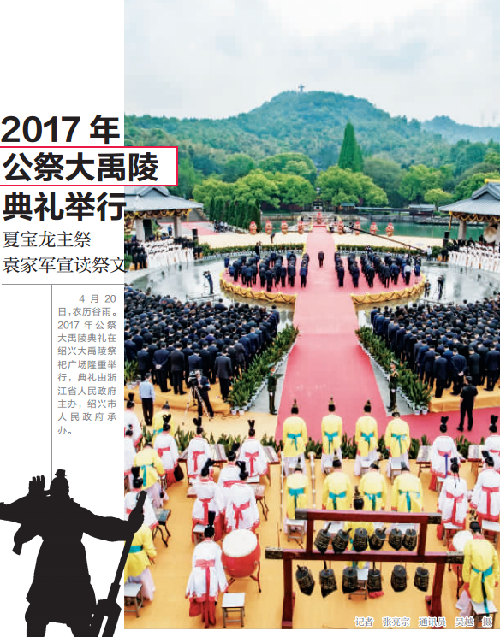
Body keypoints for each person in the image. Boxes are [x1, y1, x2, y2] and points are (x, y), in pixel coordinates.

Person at [0, 470, 142, 637]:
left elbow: (9, 512)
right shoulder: (71, 512)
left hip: (55, 573)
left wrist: (33, 498)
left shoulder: (44, 510)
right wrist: (128, 528)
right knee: (59, 618)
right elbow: (102, 526)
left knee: (41, 616)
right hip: (70, 575)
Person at [186, 511, 228, 628]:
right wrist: (223, 583)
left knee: (203, 596)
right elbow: (219, 566)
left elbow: (194, 564)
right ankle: (211, 618)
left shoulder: (197, 548)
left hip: (198, 574)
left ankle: (204, 617)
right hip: (211, 574)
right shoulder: (216, 547)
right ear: (213, 535)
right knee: (211, 597)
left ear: (204, 535)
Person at [460, 521, 499, 617]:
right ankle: (483, 614)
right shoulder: (489, 544)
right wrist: (496, 578)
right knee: (486, 594)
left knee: (473, 594)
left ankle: (470, 614)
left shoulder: (469, 544)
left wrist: (466, 579)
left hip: (476, 577)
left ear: (470, 531)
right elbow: (496, 564)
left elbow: (466, 565)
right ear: (481, 530)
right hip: (489, 577)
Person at [224, 461, 259, 533]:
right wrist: (256, 518)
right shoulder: (249, 489)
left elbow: (229, 503)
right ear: (247, 478)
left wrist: (227, 516)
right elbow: (253, 504)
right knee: (246, 532)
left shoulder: (233, 487)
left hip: (234, 514)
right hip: (246, 515)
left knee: (235, 532)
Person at [192, 460, 223, 541]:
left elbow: (196, 478)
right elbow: (218, 498)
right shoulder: (213, 485)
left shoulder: (195, 484)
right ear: (209, 475)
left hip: (199, 507)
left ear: (200, 475)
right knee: (215, 514)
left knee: (198, 514)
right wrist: (221, 509)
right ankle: (214, 535)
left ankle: (199, 535)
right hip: (210, 506)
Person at [344, 490, 374, 570]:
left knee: (350, 569)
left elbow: (346, 534)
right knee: (365, 569)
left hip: (352, 548)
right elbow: (371, 534)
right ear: (363, 505)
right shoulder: (368, 518)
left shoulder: (349, 518)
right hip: (365, 548)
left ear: (354, 506)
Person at [437, 459, 468, 535]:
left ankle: (445, 533)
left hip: (448, 504)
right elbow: (465, 496)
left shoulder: (446, 481)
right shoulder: (464, 482)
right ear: (458, 470)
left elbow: (443, 494)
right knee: (459, 513)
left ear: (450, 470)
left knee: (446, 512)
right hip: (459, 505)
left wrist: (440, 506)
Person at [430, 417, 459, 491]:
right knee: (450, 472)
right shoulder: (450, 440)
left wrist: (434, 461)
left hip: (440, 462)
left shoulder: (437, 440)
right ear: (447, 430)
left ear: (440, 430)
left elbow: (433, 452)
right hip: (449, 461)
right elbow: (454, 451)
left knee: (439, 473)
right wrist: (457, 461)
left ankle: (439, 489)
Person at [134, 440, 165, 509]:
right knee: (154, 490)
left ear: (144, 448)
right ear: (151, 447)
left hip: (140, 475)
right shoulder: (153, 452)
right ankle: (156, 505)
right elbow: (158, 463)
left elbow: (135, 466)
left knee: (143, 492)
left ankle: (144, 507)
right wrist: (161, 472)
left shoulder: (138, 454)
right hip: (150, 474)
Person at [471, 454, 500, 525]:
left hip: (484, 498)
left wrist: (475, 501)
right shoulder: (498, 475)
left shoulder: (482, 474)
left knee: (483, 512)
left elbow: (477, 488)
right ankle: (492, 529)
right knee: (494, 511)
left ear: (486, 464)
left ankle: (482, 527)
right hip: (495, 499)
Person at [282, 399, 307, 476]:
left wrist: (284, 443)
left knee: (287, 461)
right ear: (298, 412)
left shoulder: (286, 421)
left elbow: (284, 435)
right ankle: (302, 476)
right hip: (299, 442)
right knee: (300, 461)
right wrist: (304, 443)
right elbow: (304, 434)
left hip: (289, 442)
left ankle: (288, 475)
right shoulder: (301, 421)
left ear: (291, 412)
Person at [354, 400, 378, 476]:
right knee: (371, 457)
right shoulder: (374, 421)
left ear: (364, 411)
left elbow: (357, 432)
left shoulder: (360, 420)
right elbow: (375, 434)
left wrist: (357, 441)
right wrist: (376, 444)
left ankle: (359, 471)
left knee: (361, 457)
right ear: (371, 411)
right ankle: (371, 471)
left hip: (363, 441)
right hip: (372, 441)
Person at [153, 418, 179, 487]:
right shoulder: (170, 438)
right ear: (169, 430)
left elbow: (155, 448)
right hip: (168, 456)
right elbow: (173, 450)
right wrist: (175, 459)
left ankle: (161, 482)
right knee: (168, 466)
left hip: (159, 456)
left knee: (160, 468)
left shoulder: (157, 437)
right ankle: (167, 482)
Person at [384, 411, 410, 477]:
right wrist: (407, 445)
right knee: (404, 457)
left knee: (393, 457)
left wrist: (387, 445)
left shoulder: (391, 423)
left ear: (393, 417)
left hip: (394, 442)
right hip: (404, 442)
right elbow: (408, 435)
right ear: (399, 416)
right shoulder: (405, 423)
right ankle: (404, 472)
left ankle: (392, 472)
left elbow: (387, 435)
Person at [284, 461, 308, 533]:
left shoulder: (289, 477)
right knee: (302, 509)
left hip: (291, 497)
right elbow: (306, 491)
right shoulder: (305, 478)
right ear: (301, 471)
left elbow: (287, 490)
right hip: (301, 498)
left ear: (294, 471)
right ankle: (300, 528)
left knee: (290, 511)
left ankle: (292, 527)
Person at [321, 397, 343, 473]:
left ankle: (326, 470)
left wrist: (324, 441)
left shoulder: (324, 418)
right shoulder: (339, 418)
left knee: (326, 455)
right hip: (336, 439)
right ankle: (338, 469)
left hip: (326, 439)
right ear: (335, 409)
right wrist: (339, 440)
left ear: (328, 409)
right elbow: (340, 432)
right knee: (338, 454)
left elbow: (323, 432)